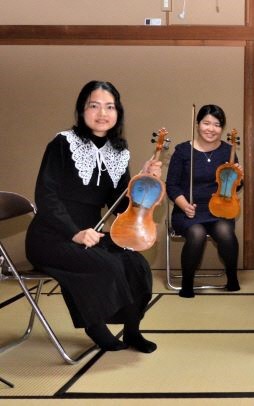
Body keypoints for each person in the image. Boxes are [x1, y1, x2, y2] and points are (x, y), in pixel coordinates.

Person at [25, 80, 161, 353]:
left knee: (136, 264)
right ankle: (95, 326)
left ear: (118, 112)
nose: (102, 113)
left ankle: (132, 331)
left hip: (92, 231)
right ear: (81, 110)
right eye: (94, 105)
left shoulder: (119, 152)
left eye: (110, 107)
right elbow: (46, 196)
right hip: (51, 235)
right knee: (103, 265)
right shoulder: (63, 143)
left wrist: (142, 182)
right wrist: (74, 232)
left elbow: (121, 206)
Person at [165, 104, 242, 298]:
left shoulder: (228, 151)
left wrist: (238, 177)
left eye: (216, 124)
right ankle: (187, 283)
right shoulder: (183, 151)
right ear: (198, 124)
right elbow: (172, 185)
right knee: (197, 233)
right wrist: (184, 205)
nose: (211, 128)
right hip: (188, 210)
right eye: (206, 123)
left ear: (222, 128)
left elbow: (234, 187)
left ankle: (232, 277)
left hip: (218, 209)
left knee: (225, 232)